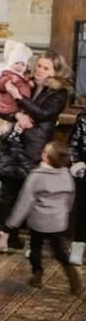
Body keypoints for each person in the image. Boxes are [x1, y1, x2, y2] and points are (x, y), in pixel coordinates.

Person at [0, 50, 73, 254]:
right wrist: (17, 115)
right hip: (14, 143)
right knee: (7, 192)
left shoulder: (59, 92)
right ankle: (1, 238)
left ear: (55, 72)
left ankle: (32, 242)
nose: (40, 70)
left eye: (46, 68)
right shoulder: (24, 82)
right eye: (39, 66)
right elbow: (2, 108)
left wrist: (20, 98)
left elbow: (44, 114)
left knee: (32, 193)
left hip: (36, 146)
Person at [4, 142, 82, 294]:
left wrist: (12, 223)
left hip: (39, 221)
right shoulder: (66, 175)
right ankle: (73, 278)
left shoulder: (37, 176)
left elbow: (25, 202)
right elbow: (70, 198)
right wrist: (65, 213)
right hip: (58, 221)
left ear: (46, 157)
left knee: (35, 248)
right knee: (60, 251)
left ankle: (37, 274)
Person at [0, 40, 33, 139]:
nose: (19, 66)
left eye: (22, 64)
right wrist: (9, 80)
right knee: (1, 130)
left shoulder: (23, 76)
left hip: (19, 106)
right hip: (9, 106)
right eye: (17, 63)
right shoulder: (7, 74)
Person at [68, 108, 86, 265]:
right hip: (85, 171)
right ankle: (78, 247)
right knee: (82, 210)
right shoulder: (83, 117)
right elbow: (73, 145)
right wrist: (77, 162)